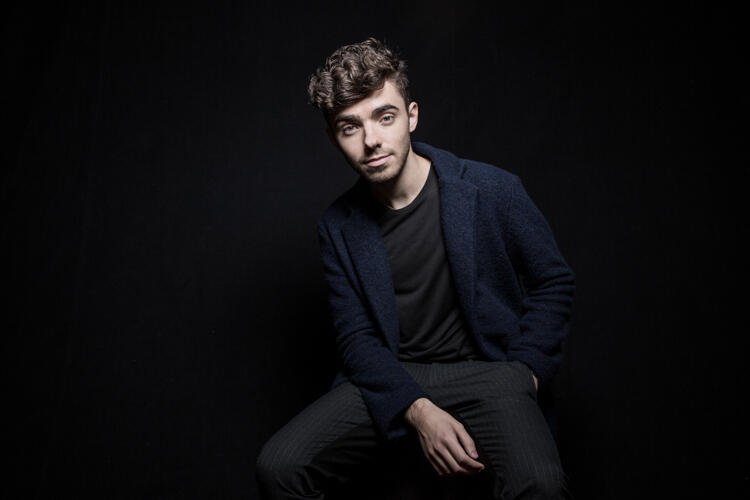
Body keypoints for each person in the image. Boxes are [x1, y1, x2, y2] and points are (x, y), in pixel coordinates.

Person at [256, 37, 575, 499]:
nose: (371, 140)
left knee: (540, 485)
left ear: (411, 116)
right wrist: (418, 409)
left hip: (489, 372)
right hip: (396, 374)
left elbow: (552, 280)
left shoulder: (491, 188)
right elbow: (357, 338)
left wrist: (527, 372)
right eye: (350, 127)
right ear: (332, 138)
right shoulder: (338, 226)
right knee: (280, 466)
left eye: (384, 117)